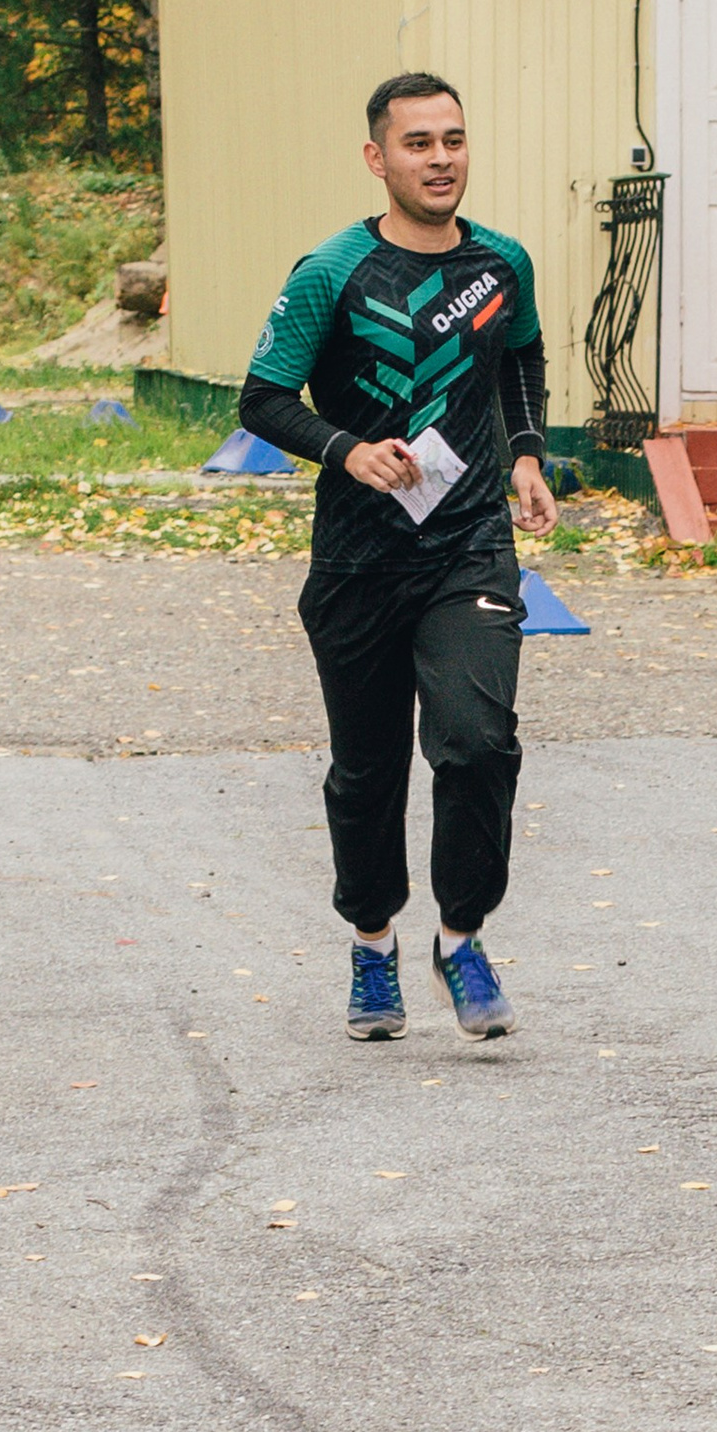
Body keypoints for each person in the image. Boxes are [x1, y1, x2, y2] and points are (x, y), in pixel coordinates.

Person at [239, 70, 554, 1047]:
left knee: (478, 742)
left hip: (468, 549)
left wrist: (528, 453)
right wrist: (346, 450)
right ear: (378, 158)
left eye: (452, 139)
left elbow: (523, 355)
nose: (440, 159)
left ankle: (461, 938)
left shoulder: (500, 265)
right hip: (358, 563)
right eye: (418, 143)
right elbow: (262, 399)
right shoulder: (330, 272)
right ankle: (372, 945)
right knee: (367, 773)